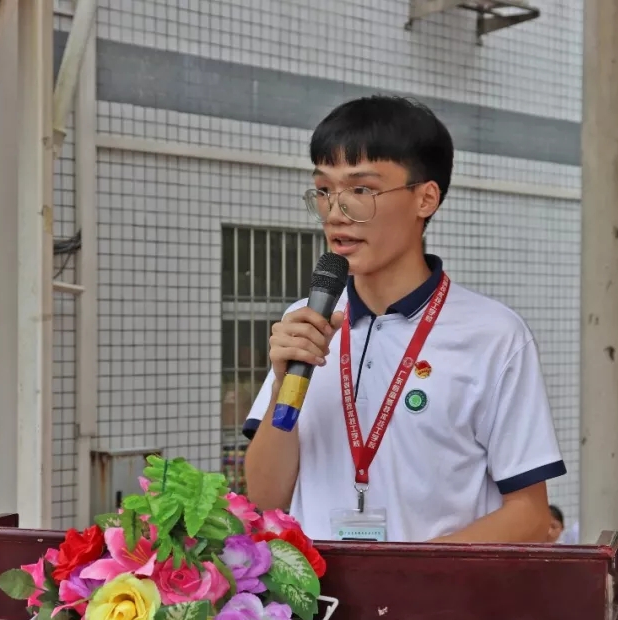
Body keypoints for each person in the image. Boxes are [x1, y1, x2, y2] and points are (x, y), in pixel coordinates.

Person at [242, 95, 566, 543]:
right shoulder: (307, 323)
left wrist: (409, 574)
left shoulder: (494, 335)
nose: (335, 212)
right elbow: (265, 500)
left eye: (361, 190)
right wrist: (283, 385)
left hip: (429, 590)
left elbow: (529, 516)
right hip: (315, 590)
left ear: (425, 198)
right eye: (324, 190)